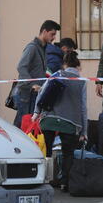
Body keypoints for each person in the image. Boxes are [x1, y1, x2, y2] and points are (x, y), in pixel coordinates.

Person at [32, 51, 87, 192]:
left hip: (49, 119)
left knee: (47, 151)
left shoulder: (56, 75)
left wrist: (36, 112)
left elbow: (42, 94)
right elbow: (83, 107)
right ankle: (65, 183)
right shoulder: (81, 82)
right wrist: (84, 130)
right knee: (68, 153)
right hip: (70, 122)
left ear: (64, 64)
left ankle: (45, 180)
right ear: (78, 66)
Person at [13, 20, 61, 128]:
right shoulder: (32, 47)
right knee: (23, 126)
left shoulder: (43, 48)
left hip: (33, 94)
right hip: (26, 94)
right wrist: (32, 84)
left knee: (27, 126)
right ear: (44, 31)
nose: (54, 38)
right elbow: (21, 66)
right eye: (52, 34)